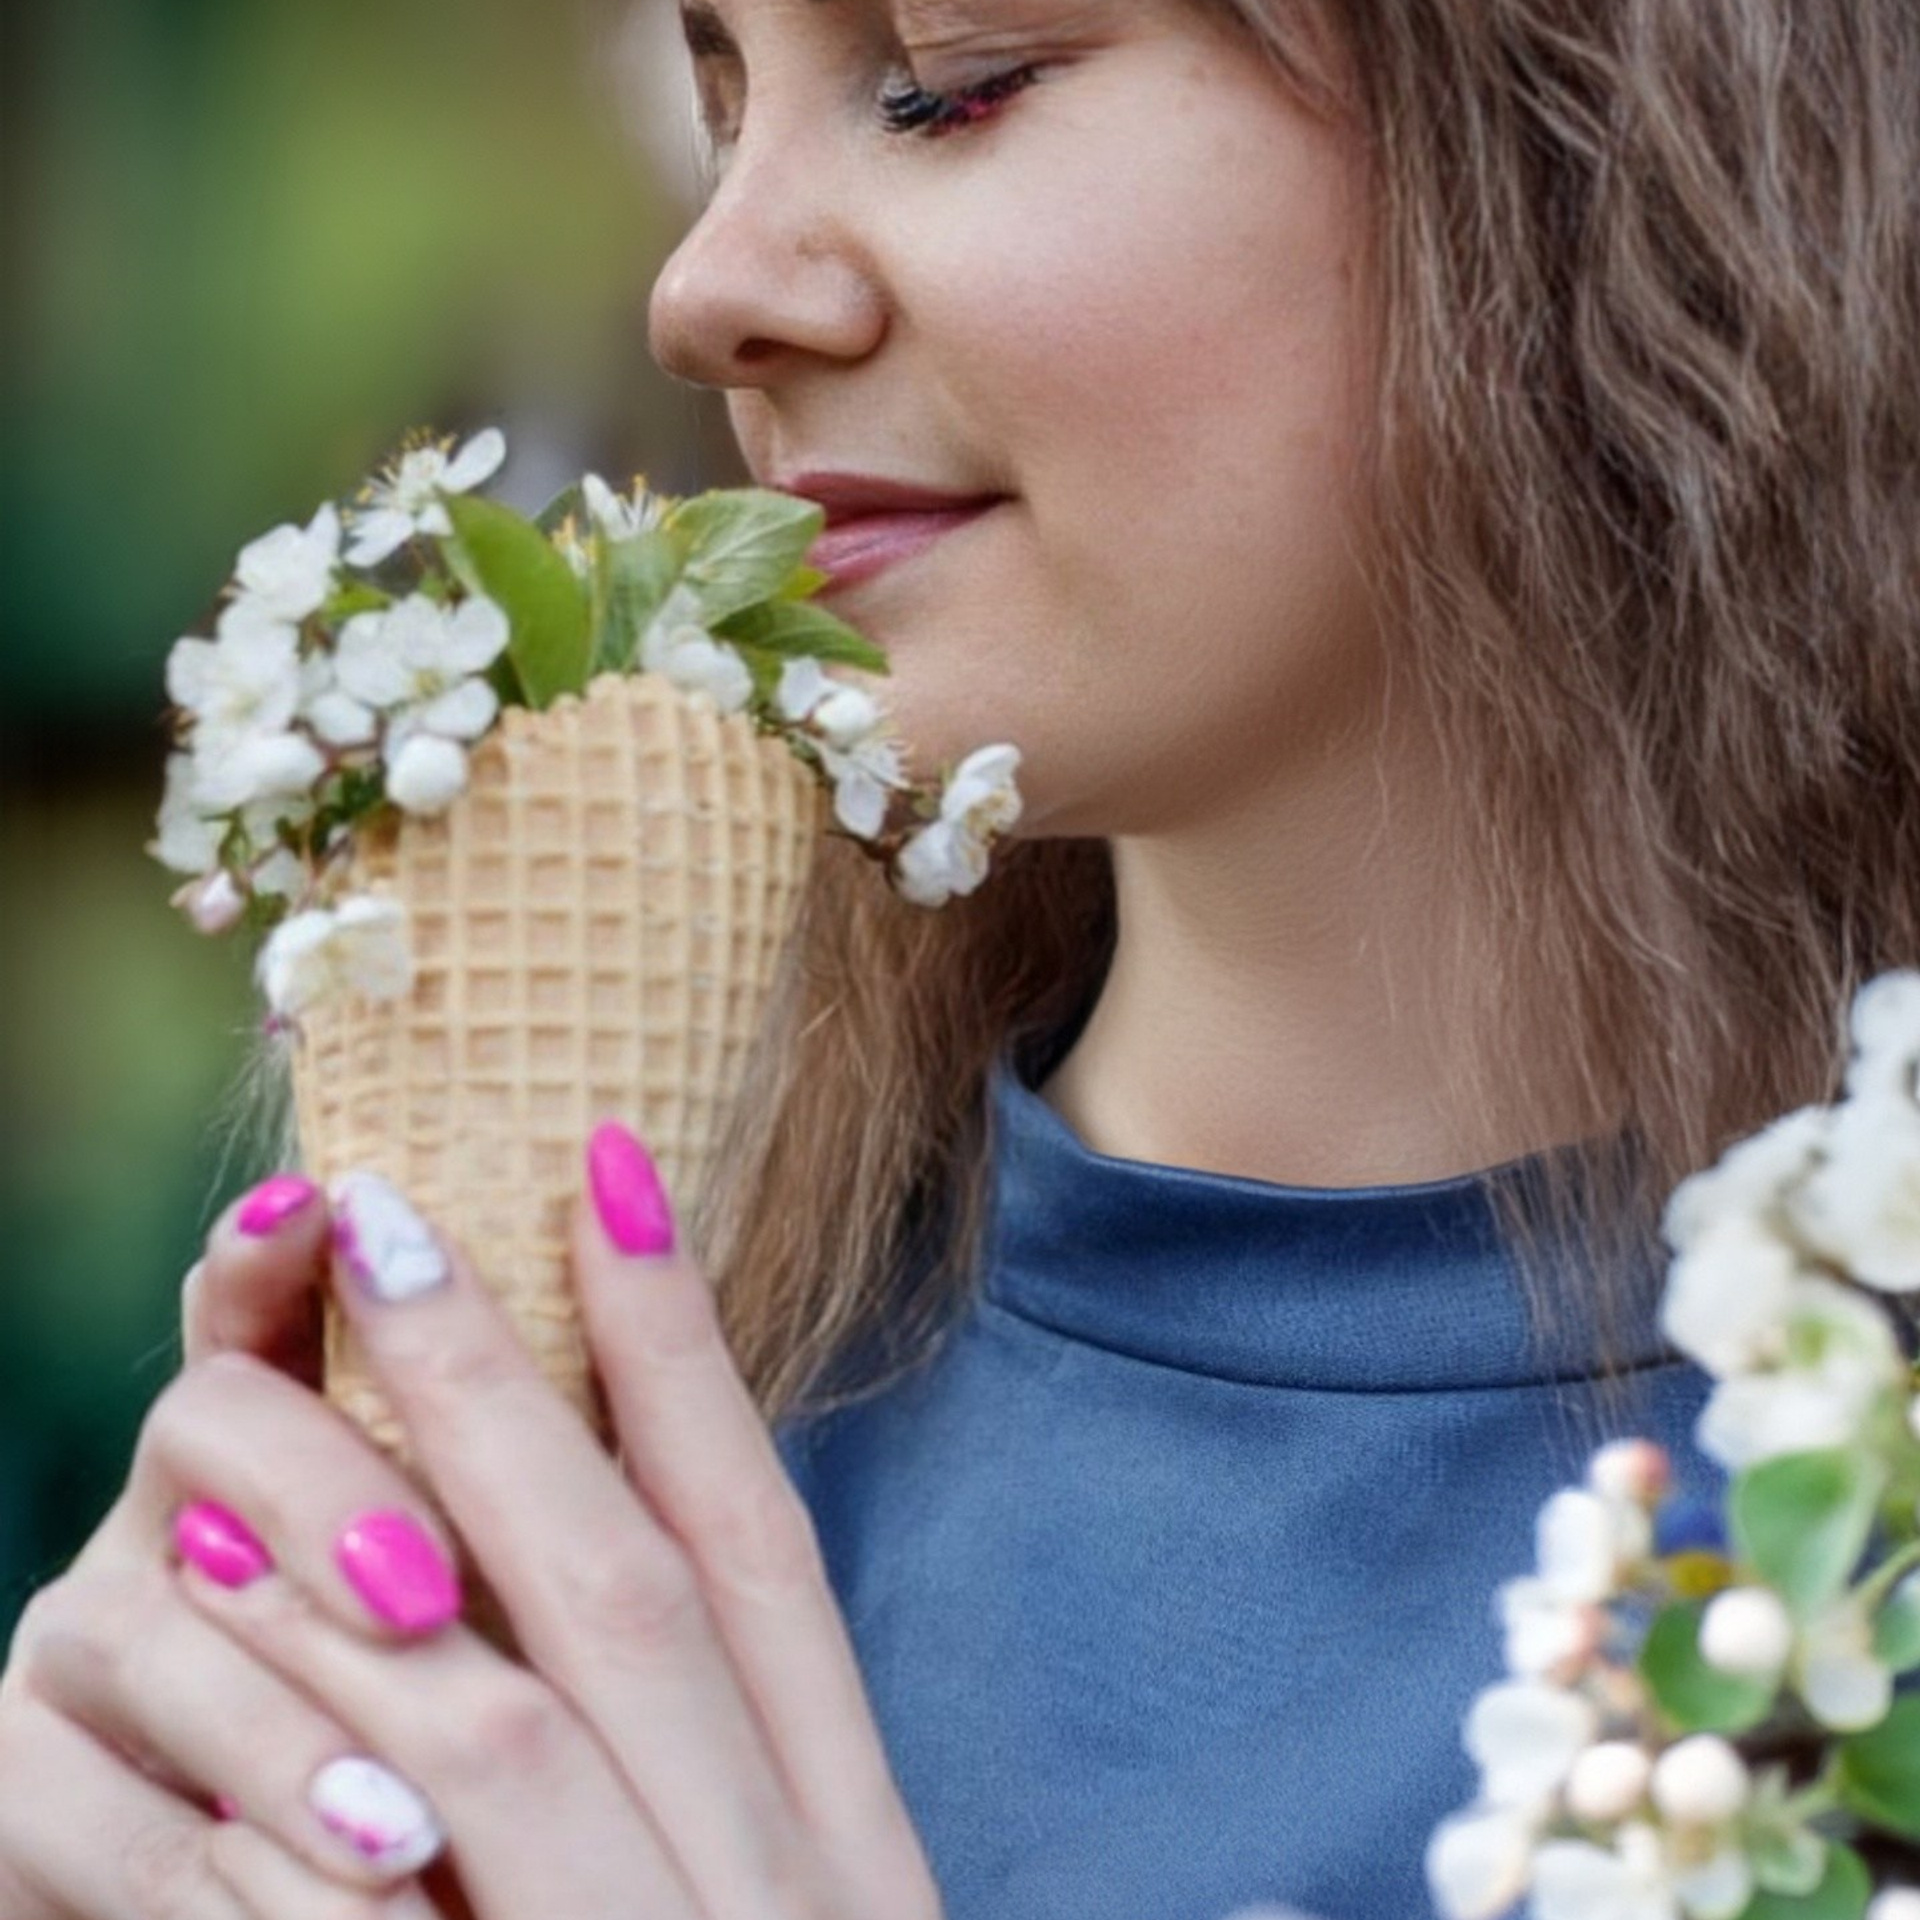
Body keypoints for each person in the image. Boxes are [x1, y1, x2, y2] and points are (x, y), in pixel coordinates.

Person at [3, 0, 1917, 1914]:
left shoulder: (1858, 1560)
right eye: (718, 102)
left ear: (1591, 135)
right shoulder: (633, 1340)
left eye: (947, 79)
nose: (707, 289)